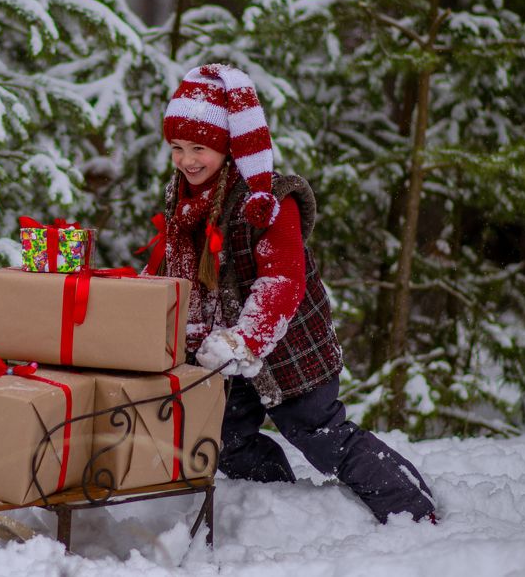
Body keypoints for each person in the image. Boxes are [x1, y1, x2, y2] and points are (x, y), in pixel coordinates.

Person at [150, 63, 436, 524]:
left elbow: (281, 281)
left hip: (288, 345)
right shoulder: (185, 199)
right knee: (225, 437)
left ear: (225, 144)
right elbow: (172, 266)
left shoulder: (268, 201)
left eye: (198, 148)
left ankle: (414, 513)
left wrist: (244, 340)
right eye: (177, 148)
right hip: (219, 352)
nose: (187, 160)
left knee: (320, 434)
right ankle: (276, 509)